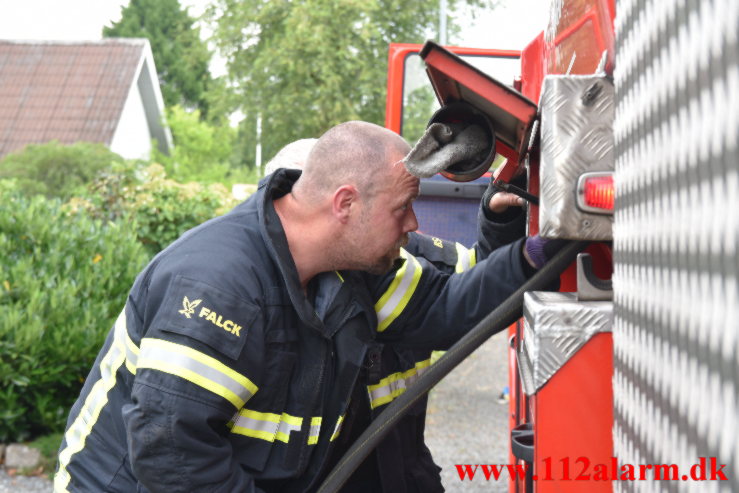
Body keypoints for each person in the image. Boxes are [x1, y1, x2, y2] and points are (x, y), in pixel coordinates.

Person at [55, 121, 549, 493]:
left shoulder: (354, 266)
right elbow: (173, 452)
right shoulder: (220, 284)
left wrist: (534, 256)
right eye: (402, 208)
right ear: (345, 204)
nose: (413, 223)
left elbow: (445, 308)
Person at [261, 138, 528, 492]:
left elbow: (479, 287)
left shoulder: (399, 247)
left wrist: (500, 218)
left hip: (405, 475)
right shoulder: (252, 290)